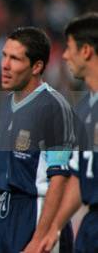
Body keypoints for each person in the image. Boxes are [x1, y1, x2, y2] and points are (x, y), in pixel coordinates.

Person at [0, 27, 74, 253]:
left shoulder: (53, 107)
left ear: (37, 67)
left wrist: (40, 237)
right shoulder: (6, 103)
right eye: (4, 55)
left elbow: (60, 177)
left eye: (15, 58)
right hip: (5, 214)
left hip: (36, 212)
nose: (5, 65)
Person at [39, 13, 98, 253]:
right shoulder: (83, 109)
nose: (64, 56)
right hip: (91, 224)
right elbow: (77, 177)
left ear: (86, 51)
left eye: (69, 48)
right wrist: (54, 227)